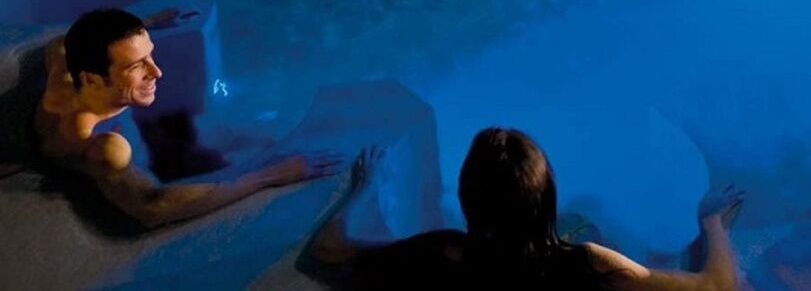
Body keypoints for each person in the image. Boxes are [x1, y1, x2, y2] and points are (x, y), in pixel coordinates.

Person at [301, 126, 743, 290]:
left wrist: (366, 187)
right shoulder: (584, 265)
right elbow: (717, 285)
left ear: (468, 199)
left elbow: (327, 251)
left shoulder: (443, 253)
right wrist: (711, 223)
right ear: (546, 197)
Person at [35, 8, 340, 228]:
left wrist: (144, 25)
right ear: (91, 79)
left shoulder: (65, 72)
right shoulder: (104, 147)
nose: (157, 72)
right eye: (136, 66)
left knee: (233, 132)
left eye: (150, 55)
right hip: (119, 155)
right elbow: (153, 207)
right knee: (244, 142)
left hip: (127, 124)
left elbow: (58, 44)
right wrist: (270, 176)